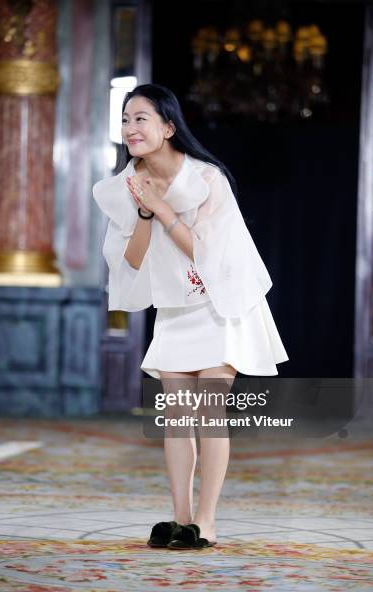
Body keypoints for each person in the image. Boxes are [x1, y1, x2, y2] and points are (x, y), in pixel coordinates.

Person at [93, 83, 288, 550]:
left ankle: (207, 519)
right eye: (124, 119)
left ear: (167, 126)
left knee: (208, 411)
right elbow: (131, 264)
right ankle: (181, 520)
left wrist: (161, 209)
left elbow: (210, 257)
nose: (130, 127)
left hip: (222, 306)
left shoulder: (206, 180)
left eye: (140, 118)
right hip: (177, 310)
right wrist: (142, 214)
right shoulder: (122, 188)